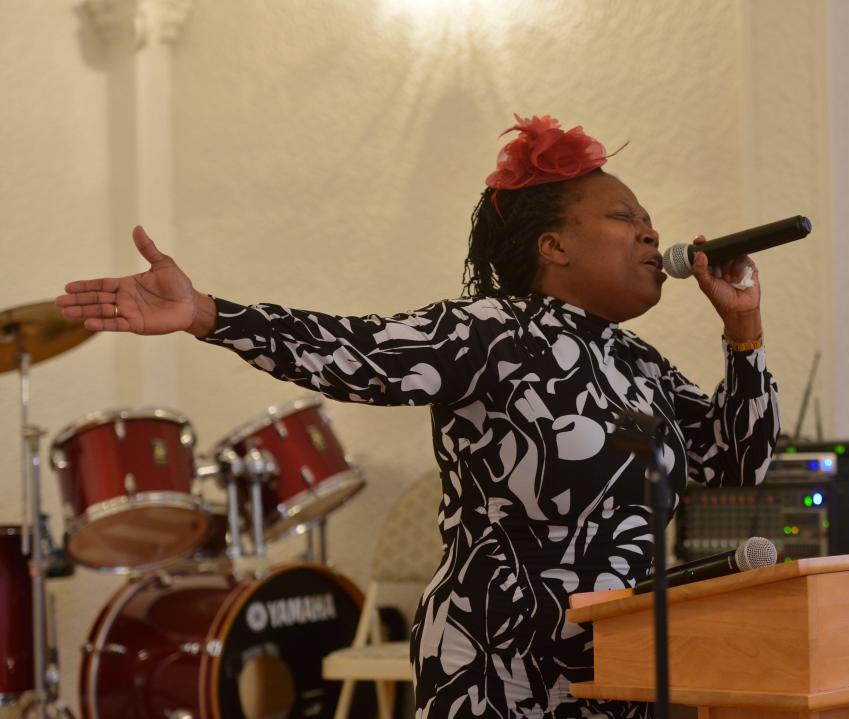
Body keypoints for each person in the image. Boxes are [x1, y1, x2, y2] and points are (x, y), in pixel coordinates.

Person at [57, 115, 780, 719]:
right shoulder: (490, 331)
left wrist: (743, 330)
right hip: (499, 666)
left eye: (651, 223)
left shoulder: (637, 362)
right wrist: (209, 315)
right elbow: (353, 352)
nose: (652, 235)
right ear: (552, 245)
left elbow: (735, 463)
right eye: (625, 218)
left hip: (615, 665)